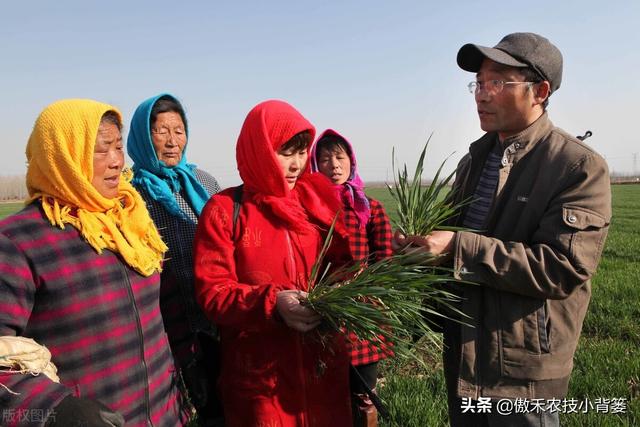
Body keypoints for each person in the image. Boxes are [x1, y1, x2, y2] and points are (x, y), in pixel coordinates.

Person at [393, 33, 612, 426]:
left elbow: (560, 267)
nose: (482, 94)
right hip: (466, 354)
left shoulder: (577, 166)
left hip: (523, 370)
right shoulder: (474, 160)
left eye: (497, 82)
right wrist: (419, 247)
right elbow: (446, 240)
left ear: (540, 91)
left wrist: (457, 246)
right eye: (478, 83)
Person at [0, 99, 189, 426]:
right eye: (102, 150)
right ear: (63, 157)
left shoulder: (133, 224)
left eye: (119, 147)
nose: (117, 161)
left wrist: (188, 374)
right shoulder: (18, 242)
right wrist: (55, 410)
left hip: (165, 415)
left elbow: (166, 316)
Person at [193, 100, 354, 426]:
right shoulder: (225, 210)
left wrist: (351, 289)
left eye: (301, 152)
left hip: (322, 372)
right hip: (262, 383)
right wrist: (272, 304)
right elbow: (214, 292)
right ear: (260, 149)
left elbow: (342, 268)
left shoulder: (316, 201)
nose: (296, 165)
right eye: (285, 152)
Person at [127, 93, 222, 426]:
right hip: (166, 326)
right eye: (160, 130)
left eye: (178, 130)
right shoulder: (130, 195)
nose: (171, 141)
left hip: (216, 318)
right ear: (143, 136)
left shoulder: (205, 183)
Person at [311, 130, 392, 426]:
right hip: (321, 314)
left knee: (363, 395)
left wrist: (363, 287)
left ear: (351, 161)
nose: (334, 164)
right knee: (326, 394)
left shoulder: (370, 208)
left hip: (362, 315)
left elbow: (385, 262)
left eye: (339, 157)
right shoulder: (307, 208)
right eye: (325, 158)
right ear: (315, 165)